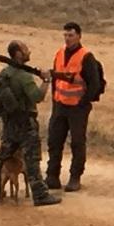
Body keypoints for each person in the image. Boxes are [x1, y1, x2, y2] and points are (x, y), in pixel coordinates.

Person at [0, 40, 62, 207]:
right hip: (25, 124)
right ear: (18, 54)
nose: (29, 52)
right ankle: (40, 195)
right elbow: (37, 97)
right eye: (25, 49)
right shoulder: (24, 76)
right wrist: (46, 81)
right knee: (32, 160)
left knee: (2, 157)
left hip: (10, 123)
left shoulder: (6, 73)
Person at [45, 21, 102, 193]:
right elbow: (56, 78)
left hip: (77, 108)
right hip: (60, 105)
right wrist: (55, 100)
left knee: (77, 143)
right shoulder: (59, 53)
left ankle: (75, 177)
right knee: (54, 141)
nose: (67, 39)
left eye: (71, 35)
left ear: (79, 36)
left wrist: (82, 102)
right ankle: (52, 176)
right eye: (65, 35)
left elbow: (94, 84)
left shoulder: (86, 57)